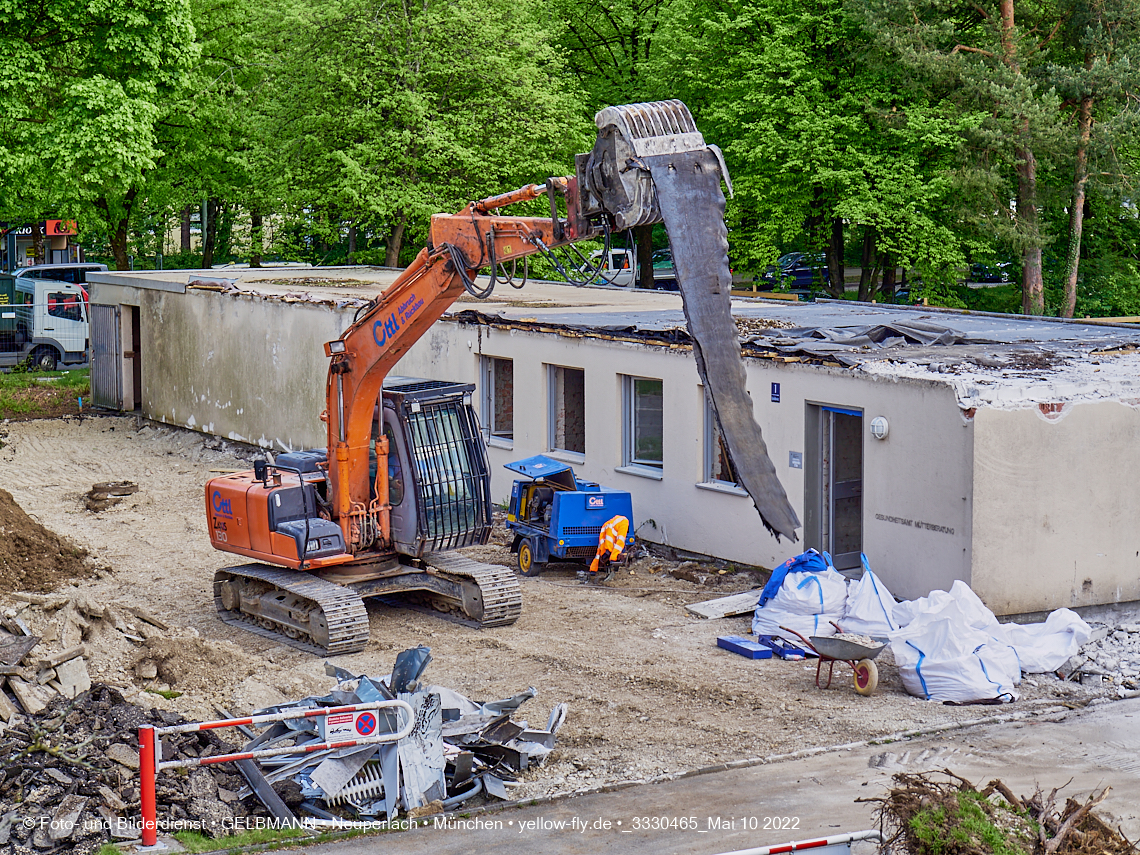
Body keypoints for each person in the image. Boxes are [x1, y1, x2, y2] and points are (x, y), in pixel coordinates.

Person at [581, 514, 630, 581]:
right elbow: (620, 541)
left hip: (607, 547)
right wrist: (613, 558)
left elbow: (598, 553)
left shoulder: (607, 525)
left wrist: (593, 570)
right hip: (608, 548)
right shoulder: (624, 523)